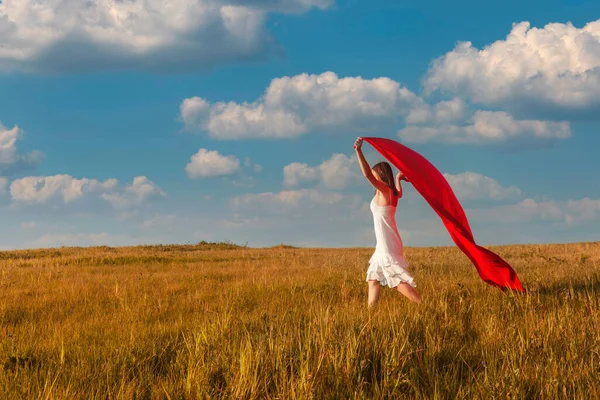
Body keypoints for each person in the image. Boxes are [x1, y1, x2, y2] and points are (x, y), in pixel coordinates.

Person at [354, 137, 422, 306]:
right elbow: (400, 193)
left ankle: (422, 304)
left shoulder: (384, 190)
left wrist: (358, 151)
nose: (373, 175)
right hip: (387, 242)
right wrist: (398, 179)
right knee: (373, 278)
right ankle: (371, 313)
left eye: (376, 173)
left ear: (381, 174)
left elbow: (367, 174)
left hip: (387, 243)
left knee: (396, 280)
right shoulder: (393, 193)